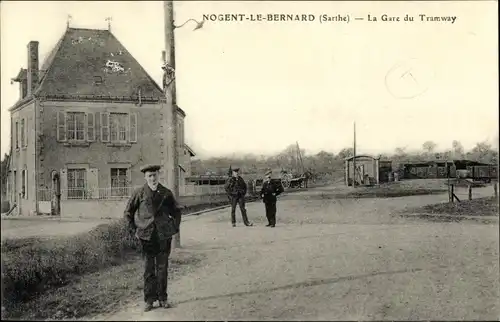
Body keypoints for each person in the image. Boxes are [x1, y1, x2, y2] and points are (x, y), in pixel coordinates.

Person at [124, 164, 181, 312]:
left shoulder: (166, 193)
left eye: (155, 175)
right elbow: (128, 212)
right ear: (145, 177)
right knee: (148, 269)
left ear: (158, 175)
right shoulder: (140, 193)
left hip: (163, 236)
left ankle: (163, 298)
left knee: (162, 268)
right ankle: (149, 300)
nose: (153, 178)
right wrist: (133, 230)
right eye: (150, 176)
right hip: (146, 236)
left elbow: (176, 211)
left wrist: (173, 228)